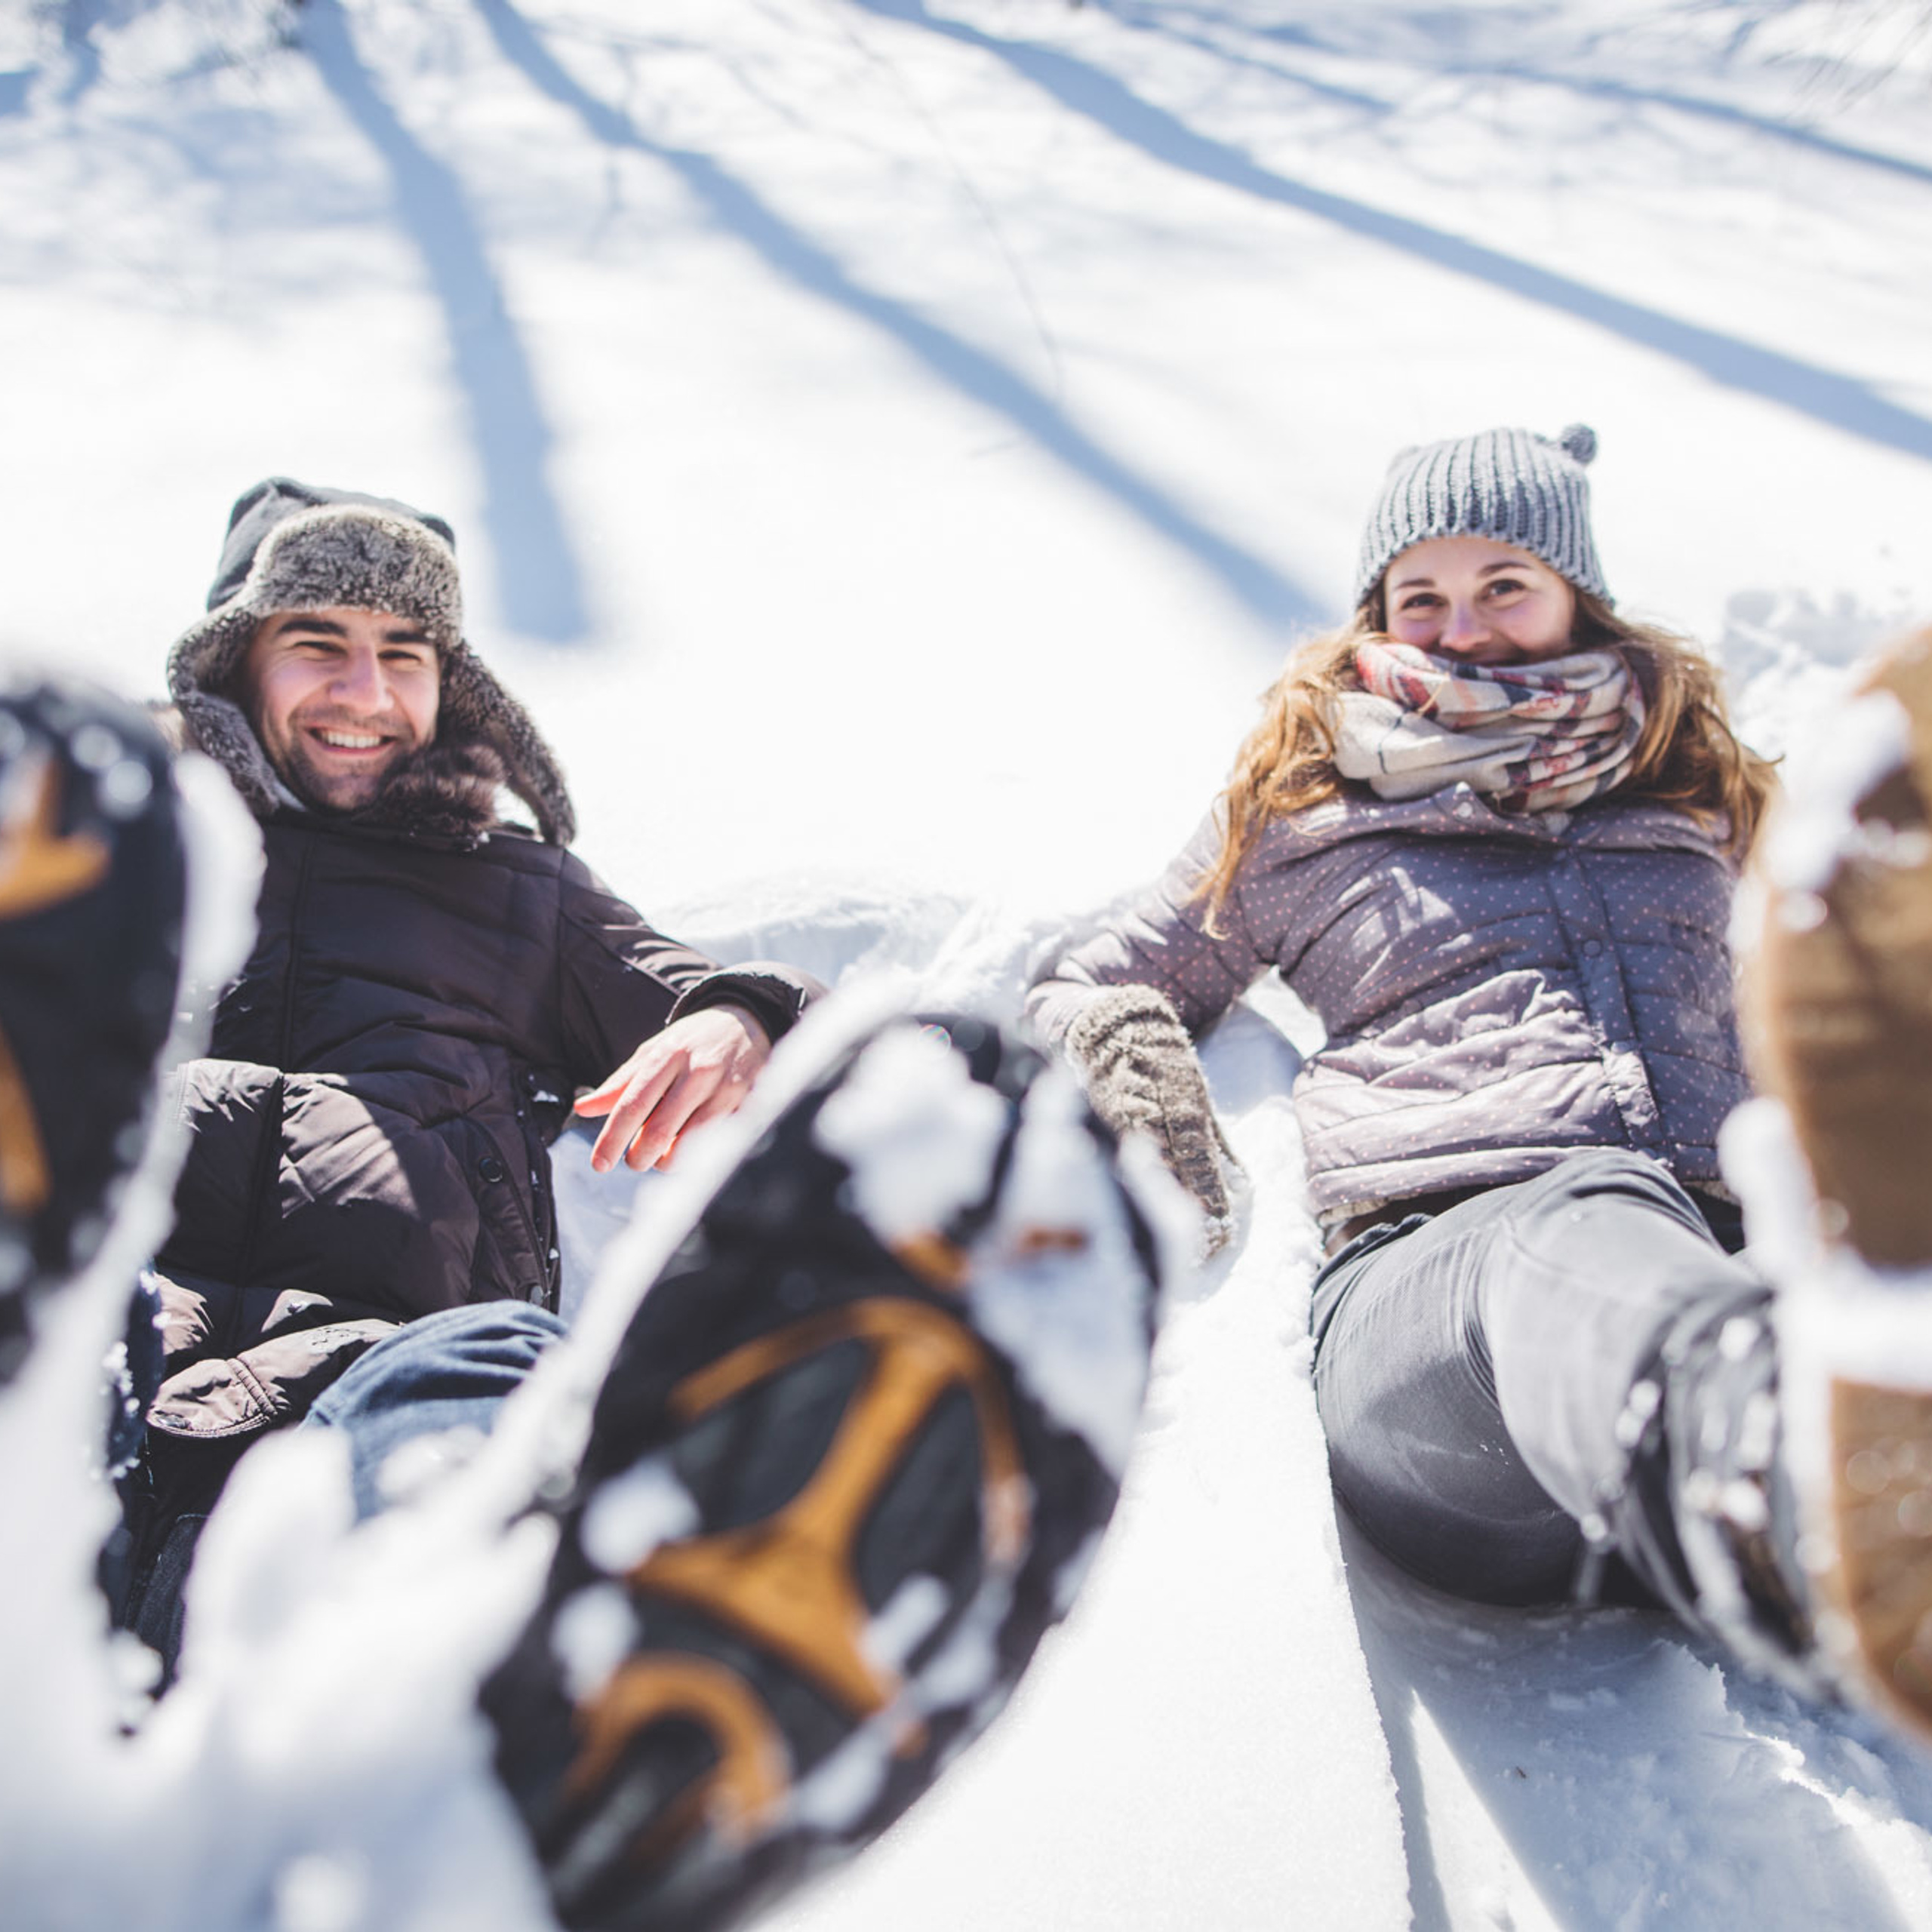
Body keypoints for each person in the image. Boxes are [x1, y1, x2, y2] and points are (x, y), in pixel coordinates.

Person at [0, 478, 1174, 1931]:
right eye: (320, 642)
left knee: (487, 1364)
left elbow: (735, 1001)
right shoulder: (117, 864)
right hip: (96, 1366)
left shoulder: (515, 891)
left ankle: (506, 1681)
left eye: (405, 653)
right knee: (63, 1329)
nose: (367, 691)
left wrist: (734, 1017)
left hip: (363, 1371)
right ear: (235, 658)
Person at [1029, 422, 1932, 1740]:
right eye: (1422, 597)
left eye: (1504, 585)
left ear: (1578, 596)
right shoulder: (1303, 805)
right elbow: (1085, 973)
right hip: (1441, 1346)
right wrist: (1134, 1063)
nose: (1462, 629)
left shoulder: (1700, 794)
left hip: (1718, 1268)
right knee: (1580, 1218)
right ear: (1375, 615)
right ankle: (1791, 1479)